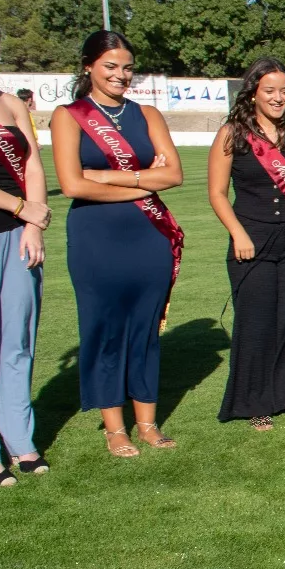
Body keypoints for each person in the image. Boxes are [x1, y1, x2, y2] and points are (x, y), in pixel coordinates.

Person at [50, 30, 184, 457]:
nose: (120, 75)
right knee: (104, 329)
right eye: (111, 66)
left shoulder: (147, 114)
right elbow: (73, 185)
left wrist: (106, 177)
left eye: (127, 67)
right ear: (88, 66)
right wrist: (144, 181)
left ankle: (147, 423)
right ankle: (114, 428)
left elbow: (174, 176)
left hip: (149, 236)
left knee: (145, 331)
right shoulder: (68, 115)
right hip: (96, 238)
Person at [208, 57, 285, 430]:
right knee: (256, 321)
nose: (278, 98)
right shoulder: (232, 134)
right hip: (251, 239)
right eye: (270, 91)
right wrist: (238, 233)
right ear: (253, 93)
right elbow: (216, 192)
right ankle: (255, 401)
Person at [0, 10, 50, 486]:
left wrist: (34, 221)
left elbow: (34, 164)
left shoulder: (10, 103)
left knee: (18, 341)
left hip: (21, 235)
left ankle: (20, 438)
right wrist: (21, 207)